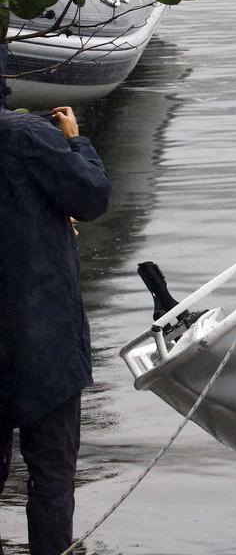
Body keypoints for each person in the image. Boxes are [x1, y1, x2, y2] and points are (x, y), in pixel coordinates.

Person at [0, 66, 112, 555]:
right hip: (41, 339)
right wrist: (74, 141)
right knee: (50, 476)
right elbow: (90, 195)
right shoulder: (27, 136)